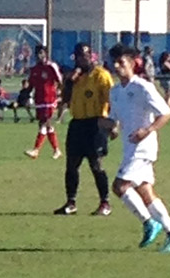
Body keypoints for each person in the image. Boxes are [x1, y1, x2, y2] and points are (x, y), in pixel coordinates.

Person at [99, 44, 170, 253]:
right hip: (129, 147)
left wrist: (147, 130)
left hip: (143, 147)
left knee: (119, 186)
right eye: (114, 63)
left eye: (121, 62)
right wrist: (108, 126)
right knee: (145, 192)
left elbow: (165, 113)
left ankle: (148, 222)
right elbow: (116, 122)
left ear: (133, 63)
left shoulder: (143, 87)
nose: (117, 67)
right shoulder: (115, 92)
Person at [54, 43, 113, 216]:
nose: (81, 60)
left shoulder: (101, 75)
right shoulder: (75, 77)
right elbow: (65, 99)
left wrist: (110, 123)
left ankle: (105, 203)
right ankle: (71, 202)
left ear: (91, 56)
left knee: (96, 164)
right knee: (72, 165)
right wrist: (70, 82)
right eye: (78, 57)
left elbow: (111, 100)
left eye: (85, 56)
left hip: (96, 124)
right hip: (77, 123)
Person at [24, 45, 63, 160]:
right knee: (47, 124)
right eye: (38, 53)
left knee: (44, 123)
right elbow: (31, 85)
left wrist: (59, 93)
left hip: (50, 99)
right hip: (39, 99)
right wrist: (27, 96)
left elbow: (60, 80)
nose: (40, 55)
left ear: (46, 54)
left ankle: (36, 150)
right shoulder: (35, 69)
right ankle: (57, 150)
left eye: (42, 53)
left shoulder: (51, 66)